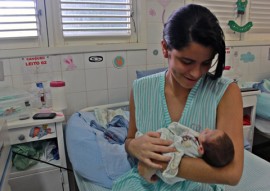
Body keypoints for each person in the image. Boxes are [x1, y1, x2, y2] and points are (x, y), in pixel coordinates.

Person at [112, 3, 243, 191]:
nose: (197, 73)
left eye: (206, 63)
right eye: (187, 61)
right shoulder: (141, 89)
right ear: (165, 48)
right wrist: (132, 147)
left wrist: (157, 164)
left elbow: (232, 173)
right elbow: (130, 139)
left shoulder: (226, 93)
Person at [136, 122, 235, 185]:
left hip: (167, 167)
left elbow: (177, 149)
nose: (208, 129)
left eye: (207, 133)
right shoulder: (199, 141)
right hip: (168, 150)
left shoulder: (193, 148)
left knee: (157, 144)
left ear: (201, 149)